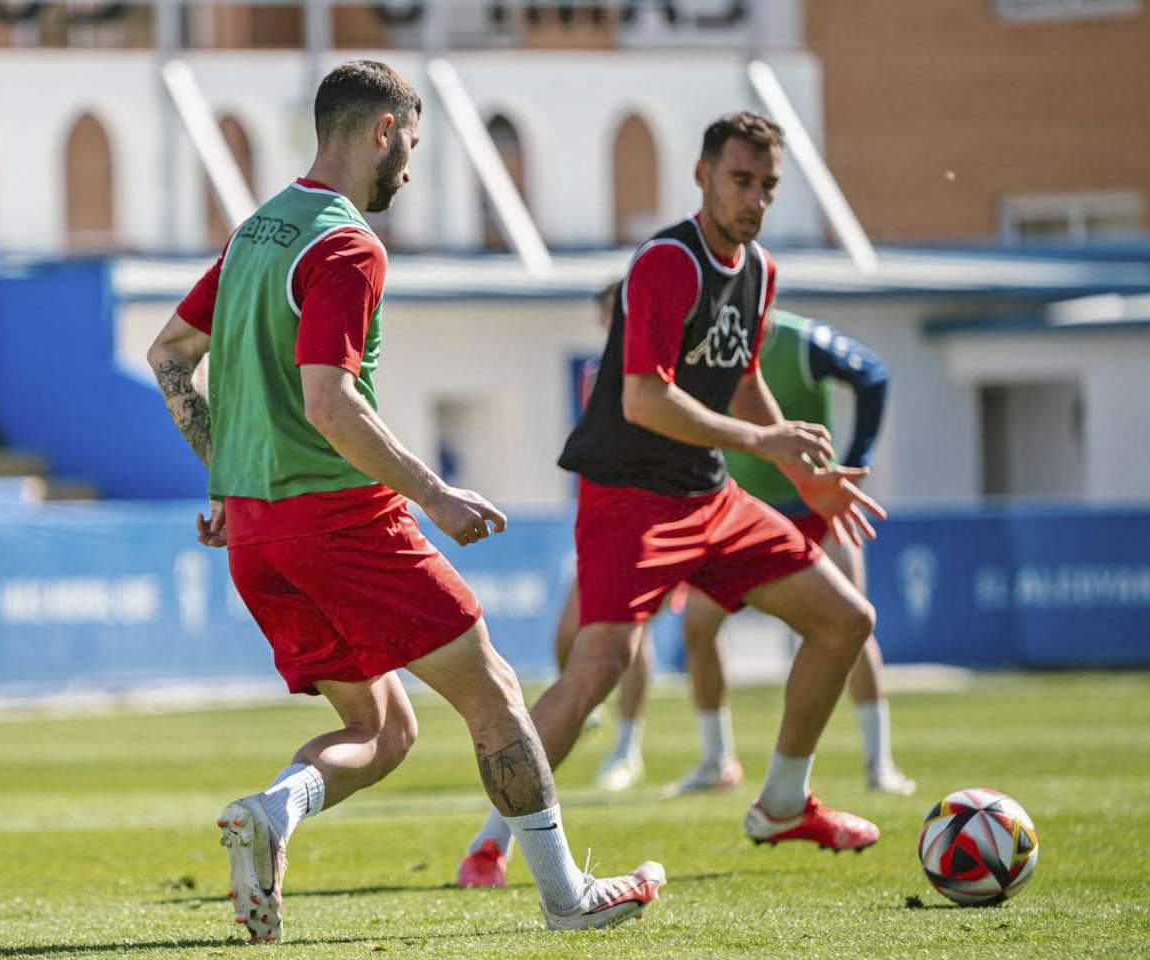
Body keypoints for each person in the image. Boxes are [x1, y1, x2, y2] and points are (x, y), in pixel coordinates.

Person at [146, 61, 664, 942]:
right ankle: (564, 895)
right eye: (412, 146)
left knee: (383, 727)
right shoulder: (346, 246)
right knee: (495, 691)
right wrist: (435, 496)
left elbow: (167, 358)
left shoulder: (253, 233)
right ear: (383, 129)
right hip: (341, 521)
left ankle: (271, 812)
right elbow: (328, 403)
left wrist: (228, 482)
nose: (410, 170)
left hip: (258, 539)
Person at [457, 111, 887, 889]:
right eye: (739, 180)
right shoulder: (664, 262)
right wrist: (765, 447)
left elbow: (742, 375)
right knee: (596, 670)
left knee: (845, 619)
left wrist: (801, 474)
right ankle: (490, 842)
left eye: (766, 186)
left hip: (707, 497)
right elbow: (645, 400)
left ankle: (783, 802)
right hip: (627, 499)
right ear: (701, 176)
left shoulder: (759, 270)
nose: (753, 199)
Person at [669, 309, 915, 796]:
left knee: (854, 627)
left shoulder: (802, 341)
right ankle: (717, 761)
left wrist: (858, 457)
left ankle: (879, 764)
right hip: (735, 516)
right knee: (698, 627)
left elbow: (872, 374)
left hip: (812, 509)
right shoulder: (700, 345)